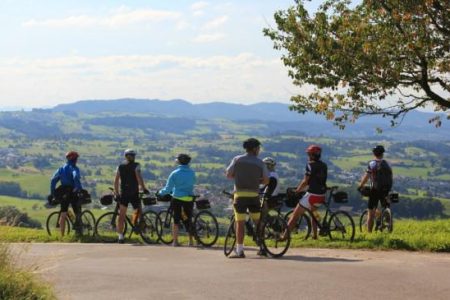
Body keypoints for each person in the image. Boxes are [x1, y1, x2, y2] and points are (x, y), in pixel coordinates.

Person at [226, 138, 269, 258]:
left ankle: (240, 251)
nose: (259, 150)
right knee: (257, 222)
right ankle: (262, 247)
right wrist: (256, 179)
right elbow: (266, 180)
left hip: (240, 196)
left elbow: (228, 174)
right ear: (255, 149)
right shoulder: (260, 163)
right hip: (254, 196)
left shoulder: (237, 159)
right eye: (259, 148)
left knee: (240, 223)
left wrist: (238, 176)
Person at [285, 145, 327, 240]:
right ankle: (315, 235)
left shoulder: (310, 165)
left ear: (312, 155)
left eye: (309, 154)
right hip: (322, 195)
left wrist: (297, 190)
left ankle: (284, 236)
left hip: (312, 195)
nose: (308, 156)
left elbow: (305, 181)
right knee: (313, 213)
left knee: (295, 215)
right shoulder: (324, 165)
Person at [159, 154, 196, 247]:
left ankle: (175, 241)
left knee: (176, 220)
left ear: (179, 161)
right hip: (189, 198)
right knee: (188, 219)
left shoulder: (174, 173)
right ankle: (190, 241)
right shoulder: (192, 172)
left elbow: (168, 188)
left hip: (177, 198)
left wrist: (160, 193)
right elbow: (194, 182)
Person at [114, 149, 149, 244]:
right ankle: (142, 232)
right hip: (134, 193)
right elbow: (139, 178)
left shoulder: (120, 166)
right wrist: (144, 188)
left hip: (124, 193)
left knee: (121, 215)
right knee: (139, 212)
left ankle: (120, 236)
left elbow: (116, 181)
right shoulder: (136, 166)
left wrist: (116, 193)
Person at [358, 145, 393, 233]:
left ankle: (369, 233)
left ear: (374, 154)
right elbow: (391, 176)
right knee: (385, 207)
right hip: (386, 189)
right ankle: (386, 221)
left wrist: (360, 185)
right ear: (382, 154)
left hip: (375, 190)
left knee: (371, 213)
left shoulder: (372, 164)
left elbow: (366, 177)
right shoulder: (387, 163)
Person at [50, 151, 83, 236]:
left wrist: (53, 193)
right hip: (72, 191)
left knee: (63, 213)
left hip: (63, 192)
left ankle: (62, 236)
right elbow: (75, 176)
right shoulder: (74, 168)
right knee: (77, 210)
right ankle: (79, 230)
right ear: (74, 159)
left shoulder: (61, 169)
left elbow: (53, 180)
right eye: (76, 159)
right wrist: (77, 187)